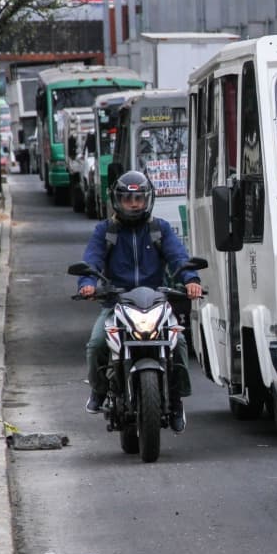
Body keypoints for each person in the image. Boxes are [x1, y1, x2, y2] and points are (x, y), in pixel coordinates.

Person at [76, 170, 202, 433]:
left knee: (177, 343)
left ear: (148, 200)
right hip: (116, 302)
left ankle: (176, 400)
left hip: (156, 301)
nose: (133, 204)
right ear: (117, 201)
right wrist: (87, 284)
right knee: (97, 343)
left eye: (139, 198)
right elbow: (93, 260)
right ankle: (99, 391)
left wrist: (191, 280)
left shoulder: (159, 229)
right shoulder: (105, 231)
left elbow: (179, 257)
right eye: (127, 198)